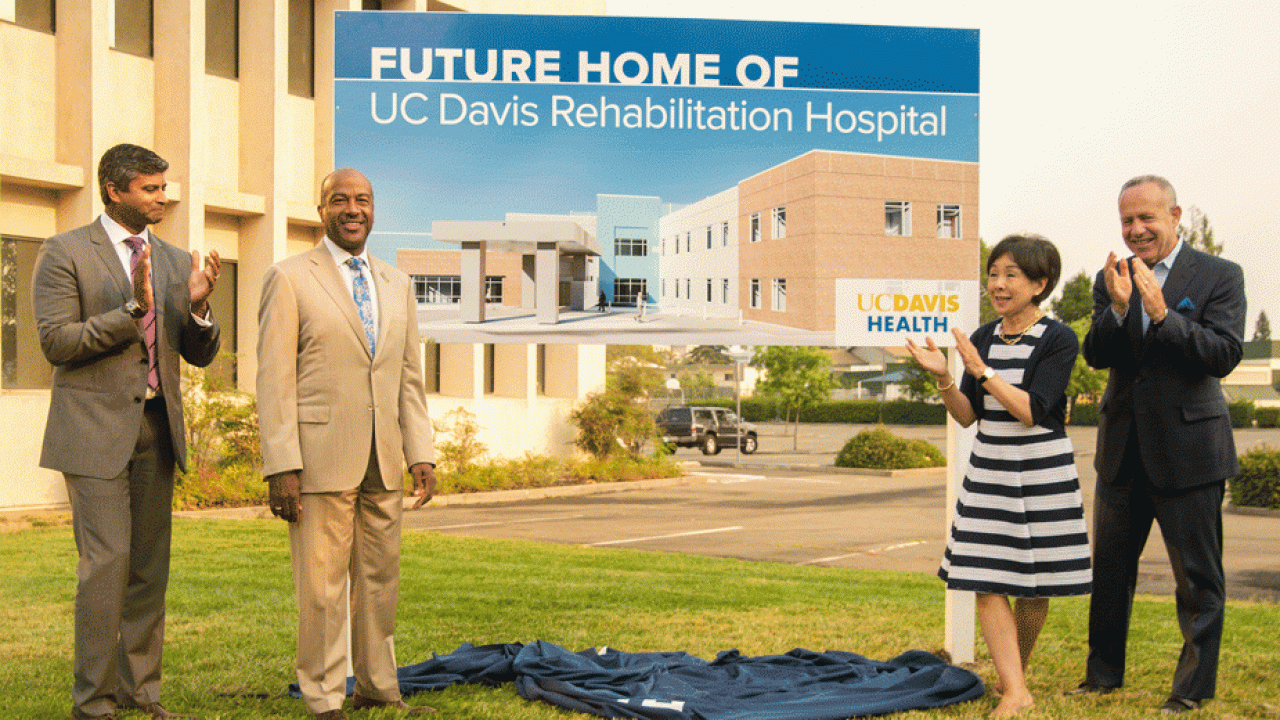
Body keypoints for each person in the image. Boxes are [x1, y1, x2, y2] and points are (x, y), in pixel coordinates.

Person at [32, 143, 222, 720]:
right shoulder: (64, 252)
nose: (163, 198)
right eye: (151, 189)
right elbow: (56, 343)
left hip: (157, 429)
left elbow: (196, 353)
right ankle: (94, 702)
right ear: (114, 191)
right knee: (106, 566)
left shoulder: (169, 259)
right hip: (91, 432)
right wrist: (129, 313)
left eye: (164, 188)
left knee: (147, 570)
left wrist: (198, 309)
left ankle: (143, 693)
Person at [256, 168, 437, 720]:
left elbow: (408, 376)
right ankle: (323, 696)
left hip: (383, 459)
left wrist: (421, 451)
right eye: (340, 200)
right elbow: (274, 378)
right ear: (321, 210)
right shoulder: (289, 278)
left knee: (380, 581)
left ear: (374, 210)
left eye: (363, 200)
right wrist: (282, 463)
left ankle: (379, 687)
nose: (353, 209)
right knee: (323, 588)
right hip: (318, 460)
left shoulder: (396, 283)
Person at [1070, 175, 1245, 714]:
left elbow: (1222, 355)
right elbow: (1097, 355)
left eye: (1147, 218)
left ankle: (1190, 690)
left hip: (1191, 454)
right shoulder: (1112, 278)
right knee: (1111, 573)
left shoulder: (1219, 275)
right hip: (1123, 452)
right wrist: (1120, 310)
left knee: (1197, 580)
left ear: (1175, 215)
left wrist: (1164, 315)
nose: (1136, 230)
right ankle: (1101, 677)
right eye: (1127, 221)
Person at [906, 234, 1091, 717]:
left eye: (1011, 275)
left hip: (1043, 470)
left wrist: (983, 371)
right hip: (990, 469)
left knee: (1038, 585)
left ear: (1039, 284)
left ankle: (1016, 677)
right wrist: (945, 377)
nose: (999, 285)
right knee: (986, 580)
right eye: (994, 274)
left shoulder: (1058, 338)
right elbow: (969, 416)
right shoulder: (983, 337)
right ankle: (1014, 689)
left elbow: (1033, 410)